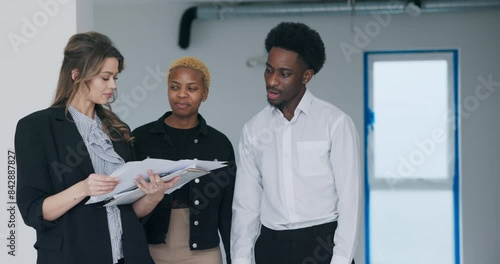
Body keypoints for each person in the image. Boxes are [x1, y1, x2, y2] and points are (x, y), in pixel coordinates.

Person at [15, 31, 179, 264]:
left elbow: (130, 212)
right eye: (105, 77)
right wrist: (83, 188)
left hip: (130, 256)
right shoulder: (36, 128)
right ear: (76, 74)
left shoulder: (118, 130)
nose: (112, 85)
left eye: (115, 77)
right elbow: (34, 211)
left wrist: (153, 196)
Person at [230, 22, 361, 264]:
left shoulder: (335, 123)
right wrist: (240, 260)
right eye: (269, 70)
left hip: (323, 242)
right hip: (271, 246)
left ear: (307, 76)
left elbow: (350, 201)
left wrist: (341, 259)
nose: (272, 81)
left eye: (284, 73)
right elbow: (245, 206)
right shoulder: (253, 130)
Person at [132, 56, 236, 264]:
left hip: (203, 251)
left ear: (204, 93)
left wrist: (235, 258)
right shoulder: (141, 138)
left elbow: (227, 209)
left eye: (192, 88)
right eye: (174, 87)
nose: (181, 94)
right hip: (151, 246)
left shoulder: (219, 143)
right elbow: (126, 201)